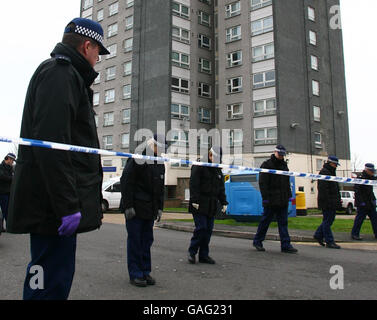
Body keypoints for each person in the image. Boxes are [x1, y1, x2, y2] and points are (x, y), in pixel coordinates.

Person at [7, 18, 109, 300]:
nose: (97, 59)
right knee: (48, 285)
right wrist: (67, 206)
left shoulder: (65, 75)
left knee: (55, 280)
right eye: (98, 51)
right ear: (87, 46)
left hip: (52, 205)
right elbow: (53, 145)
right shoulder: (60, 74)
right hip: (51, 208)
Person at [120, 134, 166, 287]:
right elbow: (126, 181)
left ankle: (145, 271)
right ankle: (135, 274)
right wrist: (128, 206)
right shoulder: (137, 157)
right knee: (135, 241)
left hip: (150, 208)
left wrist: (160, 207)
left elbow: (160, 188)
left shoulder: (160, 162)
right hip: (136, 208)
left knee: (146, 241)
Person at [253, 145, 298, 253]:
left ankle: (285, 245)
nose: (281, 156)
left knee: (283, 223)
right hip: (271, 199)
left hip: (282, 199)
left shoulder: (284, 166)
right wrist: (265, 198)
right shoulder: (267, 165)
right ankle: (257, 241)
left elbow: (286, 183)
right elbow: (263, 183)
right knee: (265, 222)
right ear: (275, 152)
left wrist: (288, 195)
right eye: (280, 154)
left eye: (283, 154)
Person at [188, 146, 228, 264]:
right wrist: (194, 200)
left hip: (211, 204)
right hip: (199, 203)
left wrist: (224, 201)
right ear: (210, 155)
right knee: (201, 228)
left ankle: (204, 255)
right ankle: (192, 252)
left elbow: (221, 187)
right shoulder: (199, 166)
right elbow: (193, 183)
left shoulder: (217, 169)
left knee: (208, 230)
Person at [313, 156, 342, 249]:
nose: (336, 166)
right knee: (327, 221)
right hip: (327, 202)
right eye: (335, 164)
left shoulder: (331, 173)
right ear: (330, 163)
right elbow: (323, 190)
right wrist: (329, 201)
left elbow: (335, 189)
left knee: (329, 220)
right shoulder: (324, 173)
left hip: (332, 201)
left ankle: (318, 235)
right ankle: (329, 241)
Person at [351, 163, 377, 240]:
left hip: (370, 202)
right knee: (359, 219)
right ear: (367, 170)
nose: (373, 173)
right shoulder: (360, 178)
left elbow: (371, 191)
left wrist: (374, 200)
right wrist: (361, 202)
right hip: (363, 203)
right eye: (371, 171)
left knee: (375, 219)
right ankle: (355, 234)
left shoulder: (370, 178)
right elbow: (357, 191)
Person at [0, 153, 16, 232]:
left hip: (9, 192)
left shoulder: (11, 168)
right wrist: (12, 178)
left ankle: (5, 226)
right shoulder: (1, 167)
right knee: (4, 210)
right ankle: (7, 227)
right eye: (12, 160)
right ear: (8, 159)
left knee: (7, 210)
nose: (12, 162)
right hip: (2, 192)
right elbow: (2, 177)